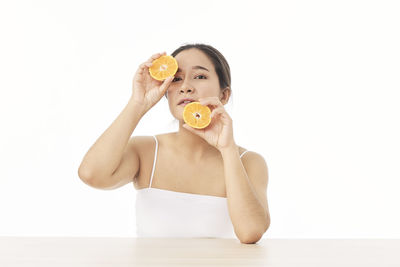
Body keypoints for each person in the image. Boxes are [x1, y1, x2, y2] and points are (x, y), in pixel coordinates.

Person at [78, 43, 270, 244]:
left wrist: (228, 149)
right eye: (176, 79)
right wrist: (138, 103)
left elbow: (250, 232)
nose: (186, 86)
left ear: (224, 95)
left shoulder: (249, 162)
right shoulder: (145, 152)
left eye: (200, 76)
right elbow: (91, 174)